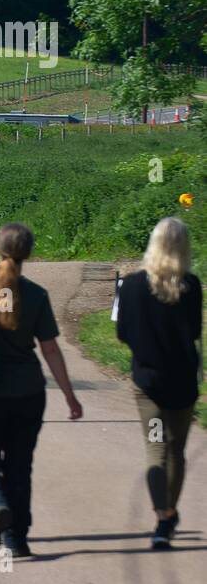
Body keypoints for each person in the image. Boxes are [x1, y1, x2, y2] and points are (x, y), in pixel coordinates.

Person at [0, 223, 83, 559]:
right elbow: (51, 349)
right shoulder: (37, 295)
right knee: (19, 464)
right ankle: (16, 539)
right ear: (28, 252)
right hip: (28, 391)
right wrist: (70, 396)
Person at [114, 217, 202, 550]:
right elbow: (193, 332)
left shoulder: (133, 285)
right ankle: (168, 513)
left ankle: (163, 516)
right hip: (182, 386)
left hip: (148, 385)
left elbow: (122, 333)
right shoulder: (191, 286)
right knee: (176, 450)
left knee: (155, 448)